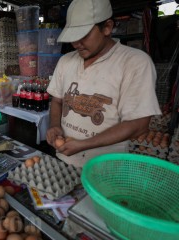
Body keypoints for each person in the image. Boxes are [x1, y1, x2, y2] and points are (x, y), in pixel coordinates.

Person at [46, 0, 161, 168]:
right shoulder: (66, 61)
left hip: (107, 168)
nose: (77, 43)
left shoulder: (134, 63)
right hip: (64, 161)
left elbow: (138, 125)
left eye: (84, 35)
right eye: (72, 37)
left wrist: (84, 144)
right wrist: (55, 126)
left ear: (107, 27)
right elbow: (57, 101)